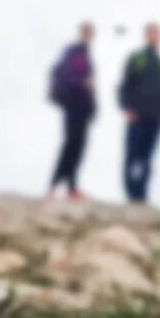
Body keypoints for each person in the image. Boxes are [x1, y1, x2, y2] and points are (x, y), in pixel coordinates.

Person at [119, 23, 160, 203]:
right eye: (153, 33)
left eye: (158, 34)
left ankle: (141, 194)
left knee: (147, 158)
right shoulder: (137, 58)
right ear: (147, 35)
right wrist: (127, 108)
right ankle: (130, 192)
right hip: (137, 116)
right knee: (132, 155)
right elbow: (125, 85)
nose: (155, 37)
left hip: (155, 118)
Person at [48, 23, 96, 199]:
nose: (88, 36)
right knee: (70, 145)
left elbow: (91, 87)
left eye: (90, 33)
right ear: (81, 33)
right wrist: (81, 83)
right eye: (86, 33)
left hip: (84, 108)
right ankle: (53, 185)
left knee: (79, 146)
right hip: (72, 105)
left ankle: (71, 187)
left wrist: (93, 109)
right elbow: (63, 73)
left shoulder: (88, 57)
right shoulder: (73, 51)